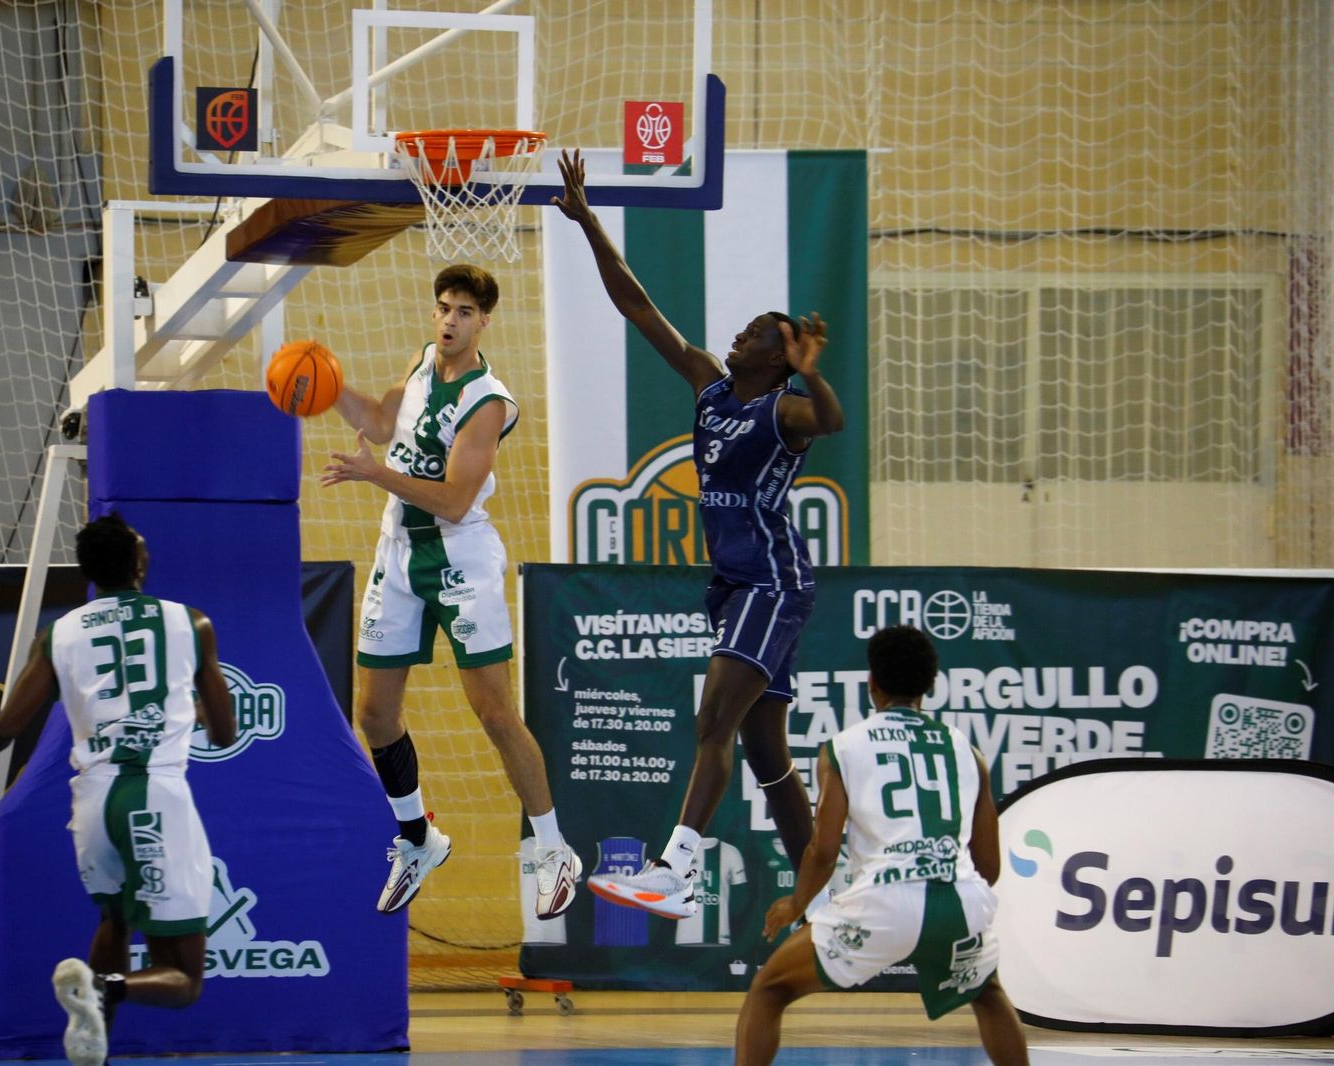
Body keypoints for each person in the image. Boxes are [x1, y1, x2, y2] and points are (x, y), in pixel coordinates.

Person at [551, 150, 846, 917]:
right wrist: (588, 223)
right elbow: (639, 307)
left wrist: (812, 373)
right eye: (746, 327)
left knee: (712, 718)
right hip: (736, 583)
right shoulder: (710, 386)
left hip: (771, 581)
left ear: (780, 359)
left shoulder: (783, 410)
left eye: (759, 333)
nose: (742, 332)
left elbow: (833, 421)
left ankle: (677, 869)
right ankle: (827, 895)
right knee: (767, 753)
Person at [320, 263, 581, 921]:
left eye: (463, 312)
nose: (448, 321)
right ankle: (418, 839)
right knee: (374, 714)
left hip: (460, 557)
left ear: (484, 320)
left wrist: (376, 476)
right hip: (399, 554)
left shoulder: (488, 401)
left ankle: (552, 849)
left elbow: (458, 501)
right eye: (443, 308)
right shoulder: (420, 363)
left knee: (493, 711)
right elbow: (381, 421)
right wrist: (322, 386)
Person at [0, 513, 237, 1066]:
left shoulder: (60, 633)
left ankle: (92, 1045)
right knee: (187, 979)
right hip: (155, 798)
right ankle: (104, 989)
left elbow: (2, 728)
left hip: (92, 800)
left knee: (114, 919)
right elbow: (225, 731)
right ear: (140, 563)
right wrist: (185, 711)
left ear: (89, 572)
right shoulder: (192, 622)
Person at [733, 626, 1030, 1066]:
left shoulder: (844, 748)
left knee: (770, 990)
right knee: (988, 994)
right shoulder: (969, 752)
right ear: (931, 684)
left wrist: (797, 904)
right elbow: (989, 865)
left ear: (872, 683)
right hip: (959, 899)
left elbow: (823, 849)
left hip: (884, 900)